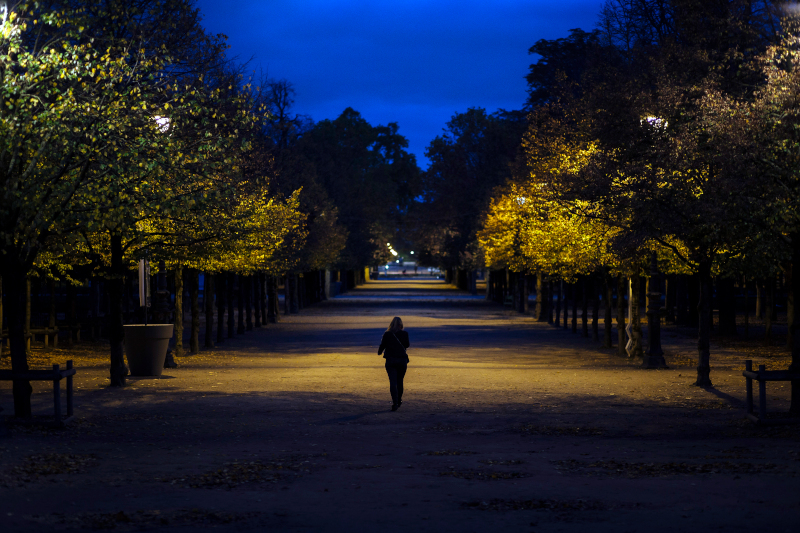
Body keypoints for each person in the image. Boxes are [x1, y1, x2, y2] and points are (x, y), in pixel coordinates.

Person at [378, 316, 410, 411]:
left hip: (391, 360)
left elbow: (382, 347)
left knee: (393, 382)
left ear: (391, 324)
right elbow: (407, 345)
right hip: (402, 360)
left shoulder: (387, 334)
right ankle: (399, 400)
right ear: (401, 325)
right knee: (400, 381)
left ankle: (395, 402)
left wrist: (380, 351)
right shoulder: (405, 333)